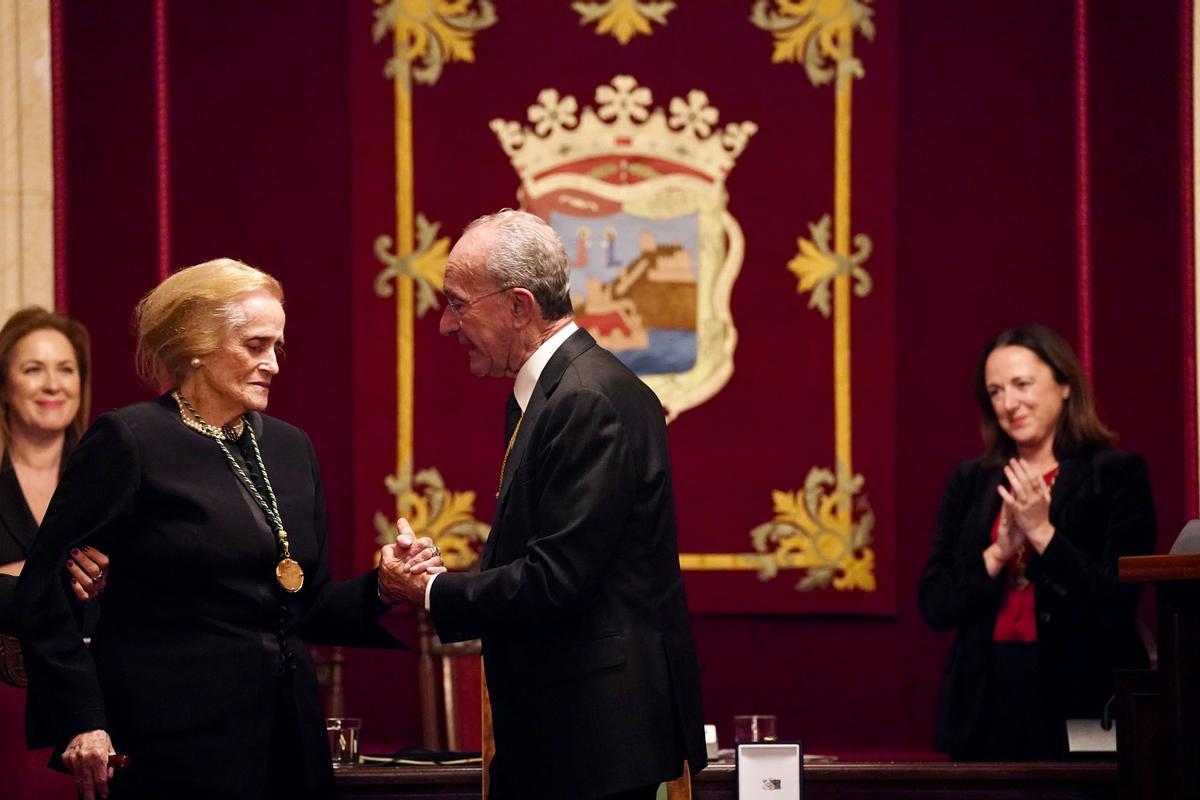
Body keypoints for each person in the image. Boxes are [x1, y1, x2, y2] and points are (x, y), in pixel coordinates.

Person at [16, 259, 444, 800]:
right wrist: (82, 719)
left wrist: (383, 586)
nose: (273, 365)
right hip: (173, 740)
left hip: (289, 736)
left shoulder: (292, 448)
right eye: (255, 345)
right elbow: (44, 591)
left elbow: (304, 604)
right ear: (196, 340)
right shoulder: (130, 439)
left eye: (277, 348)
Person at [380, 210, 707, 800]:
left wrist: (428, 590)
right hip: (567, 733)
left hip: (590, 742)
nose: (445, 325)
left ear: (518, 306)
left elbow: (557, 579)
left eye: (457, 303)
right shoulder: (560, 389)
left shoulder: (585, 398)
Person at [918, 324, 1156, 760]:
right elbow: (936, 603)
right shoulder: (971, 481)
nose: (1009, 404)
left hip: (1079, 695)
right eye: (995, 391)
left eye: (1022, 384)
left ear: (1064, 384)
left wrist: (1043, 533)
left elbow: (1114, 604)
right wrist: (998, 552)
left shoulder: (1116, 474)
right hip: (985, 698)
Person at [0, 307, 108, 798]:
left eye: (66, 369)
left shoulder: (111, 481)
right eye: (32, 369)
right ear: (3, 385)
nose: (52, 385)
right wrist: (58, 581)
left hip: (95, 713)